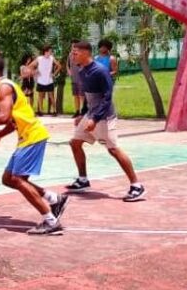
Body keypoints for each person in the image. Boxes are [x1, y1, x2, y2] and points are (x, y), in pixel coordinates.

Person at [0, 54, 68, 235]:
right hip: (27, 137)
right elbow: (11, 121)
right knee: (8, 179)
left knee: (17, 179)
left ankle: (50, 221)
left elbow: (3, 116)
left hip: (33, 136)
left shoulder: (3, 88)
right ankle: (53, 198)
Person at [67, 41, 145, 202]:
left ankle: (137, 186)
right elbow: (88, 97)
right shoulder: (82, 71)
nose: (72, 55)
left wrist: (95, 119)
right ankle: (83, 180)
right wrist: (83, 114)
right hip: (91, 114)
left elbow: (107, 98)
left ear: (85, 53)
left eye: (75, 53)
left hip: (105, 117)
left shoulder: (100, 71)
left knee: (113, 150)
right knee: (75, 143)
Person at [30, 45, 61, 116]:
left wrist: (54, 74)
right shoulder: (39, 58)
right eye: (50, 51)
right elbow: (30, 66)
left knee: (51, 96)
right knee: (40, 96)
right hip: (40, 80)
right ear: (45, 52)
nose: (51, 52)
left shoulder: (52, 58)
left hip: (49, 80)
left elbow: (59, 66)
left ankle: (54, 111)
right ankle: (41, 111)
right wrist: (35, 71)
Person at [67, 39, 84, 116]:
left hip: (81, 78)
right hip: (73, 78)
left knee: (81, 95)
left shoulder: (81, 54)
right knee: (75, 95)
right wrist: (69, 71)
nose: (73, 47)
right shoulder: (70, 54)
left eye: (74, 46)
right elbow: (68, 65)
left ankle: (82, 111)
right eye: (72, 46)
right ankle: (77, 111)